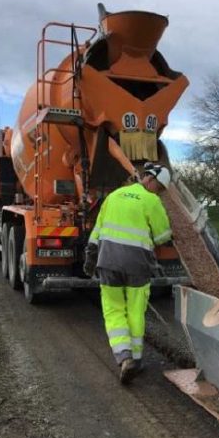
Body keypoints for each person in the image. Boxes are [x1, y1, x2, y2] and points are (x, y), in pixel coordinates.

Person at [84, 163, 172, 383]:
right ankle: (137, 360)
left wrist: (90, 259)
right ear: (150, 180)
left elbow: (96, 234)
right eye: (159, 187)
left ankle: (124, 358)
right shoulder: (152, 201)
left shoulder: (113, 196)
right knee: (135, 311)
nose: (158, 191)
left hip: (108, 263)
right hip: (137, 266)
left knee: (114, 311)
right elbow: (163, 237)